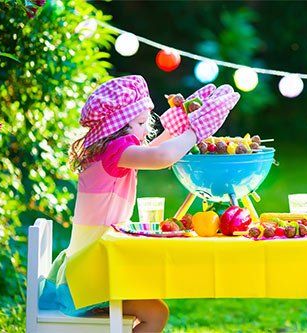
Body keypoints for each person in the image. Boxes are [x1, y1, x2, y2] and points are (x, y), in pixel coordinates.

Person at [39, 75, 240, 332]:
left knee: (152, 299)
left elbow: (156, 150)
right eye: (141, 122)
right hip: (92, 272)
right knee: (156, 313)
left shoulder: (110, 151)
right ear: (119, 126)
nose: (146, 129)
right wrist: (195, 131)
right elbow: (160, 157)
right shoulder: (114, 151)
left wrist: (176, 127)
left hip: (91, 261)